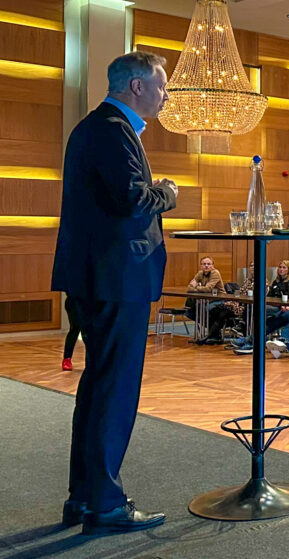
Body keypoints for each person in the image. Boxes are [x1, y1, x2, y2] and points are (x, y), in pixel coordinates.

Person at [52, 51, 175, 534]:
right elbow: (132, 199)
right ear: (137, 86)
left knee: (99, 389)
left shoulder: (98, 127)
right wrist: (167, 191)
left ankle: (84, 498)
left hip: (100, 278)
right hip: (114, 280)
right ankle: (104, 503)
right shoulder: (110, 128)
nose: (165, 97)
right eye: (161, 87)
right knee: (115, 392)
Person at [61, 296, 83, 371]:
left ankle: (94, 360)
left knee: (91, 332)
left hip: (93, 300)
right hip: (75, 301)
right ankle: (67, 359)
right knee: (75, 329)